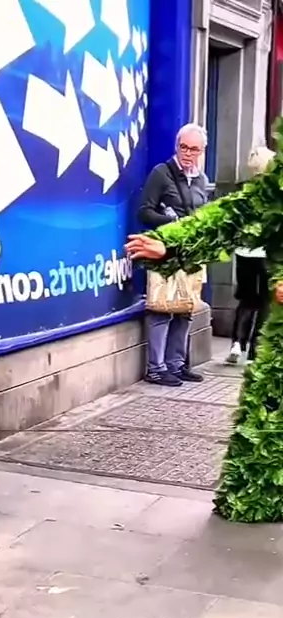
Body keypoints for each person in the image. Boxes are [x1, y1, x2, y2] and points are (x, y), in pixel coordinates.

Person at [124, 137, 283, 523]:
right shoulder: (273, 191)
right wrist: (170, 244)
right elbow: (228, 218)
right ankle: (260, 496)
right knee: (264, 423)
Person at [138, 123, 209, 387]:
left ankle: (176, 364)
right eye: (183, 147)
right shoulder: (162, 173)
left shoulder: (201, 178)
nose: (188, 153)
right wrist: (171, 222)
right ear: (176, 146)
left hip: (191, 253)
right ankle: (156, 368)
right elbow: (144, 212)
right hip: (164, 251)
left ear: (202, 151)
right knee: (162, 308)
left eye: (194, 149)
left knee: (186, 308)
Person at [226, 147, 274, 364]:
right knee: (264, 301)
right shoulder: (273, 193)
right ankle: (255, 351)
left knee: (246, 299)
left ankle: (237, 343)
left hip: (243, 253)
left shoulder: (242, 190)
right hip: (265, 253)